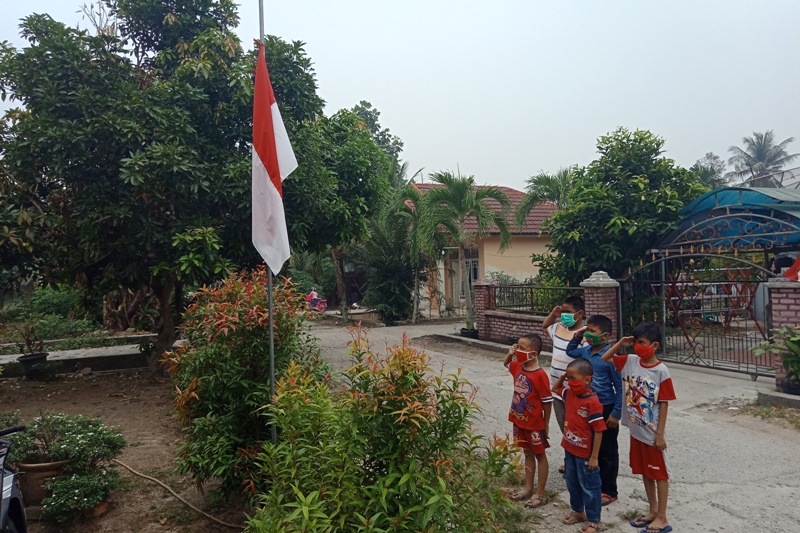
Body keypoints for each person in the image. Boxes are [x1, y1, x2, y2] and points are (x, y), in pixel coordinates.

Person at [604, 322, 676, 533]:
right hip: (636, 431)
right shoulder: (630, 361)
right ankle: (652, 510)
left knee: (660, 474)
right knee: (645, 472)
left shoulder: (661, 370)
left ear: (654, 345)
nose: (636, 346)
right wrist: (620, 343)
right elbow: (605, 359)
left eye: (641, 343)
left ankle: (662, 516)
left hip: (652, 434)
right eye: (635, 342)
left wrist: (660, 434)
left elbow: (664, 403)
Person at [566, 315, 622, 507]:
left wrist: (616, 412)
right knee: (589, 446)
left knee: (607, 450)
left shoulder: (610, 357)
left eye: (593, 331)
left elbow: (620, 387)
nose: (589, 334)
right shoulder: (586, 351)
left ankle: (609, 490)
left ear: (606, 336)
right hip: (586, 405)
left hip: (605, 407)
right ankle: (592, 484)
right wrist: (578, 334)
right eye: (587, 329)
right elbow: (570, 350)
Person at [552, 358, 606, 533]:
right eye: (568, 378)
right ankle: (578, 511)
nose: (570, 382)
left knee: (590, 486)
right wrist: (562, 377)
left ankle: (594, 520)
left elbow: (598, 431)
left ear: (587, 379)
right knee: (572, 483)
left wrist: (594, 457)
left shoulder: (593, 402)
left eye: (573, 378)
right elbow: (555, 389)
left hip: (586, 454)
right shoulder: (569, 394)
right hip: (570, 449)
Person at [503, 333, 552, 509]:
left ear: (533, 353)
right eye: (517, 346)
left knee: (539, 454)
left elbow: (547, 402)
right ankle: (528, 488)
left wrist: (545, 425)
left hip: (534, 424)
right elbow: (506, 363)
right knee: (527, 453)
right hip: (519, 420)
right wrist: (510, 352)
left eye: (522, 348)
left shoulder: (540, 375)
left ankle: (541, 492)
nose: (518, 350)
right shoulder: (518, 366)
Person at [542, 295, 586, 473]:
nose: (564, 316)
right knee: (564, 425)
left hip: (575, 391)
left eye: (568, 312)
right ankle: (570, 460)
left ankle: (580, 461)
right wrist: (553, 315)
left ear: (580, 313)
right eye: (563, 312)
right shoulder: (558, 328)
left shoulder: (584, 335)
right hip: (556, 390)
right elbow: (545, 326)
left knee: (577, 427)